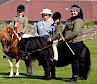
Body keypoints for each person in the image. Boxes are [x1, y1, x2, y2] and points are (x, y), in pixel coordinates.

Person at [61, 5, 84, 82]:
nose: (73, 12)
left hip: (76, 43)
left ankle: (75, 77)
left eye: (74, 11)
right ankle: (75, 76)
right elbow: (65, 30)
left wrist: (66, 38)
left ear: (78, 12)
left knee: (75, 59)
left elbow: (75, 32)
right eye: (72, 11)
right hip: (70, 43)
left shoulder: (79, 20)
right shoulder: (70, 20)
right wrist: (62, 36)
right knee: (72, 59)